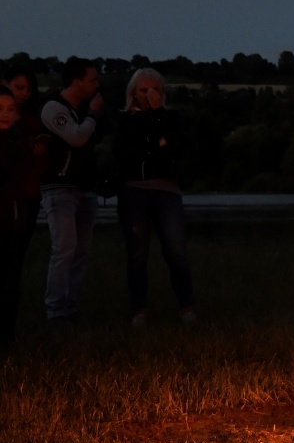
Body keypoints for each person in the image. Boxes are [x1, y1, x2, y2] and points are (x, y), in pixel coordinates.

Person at [114, 69, 195, 328]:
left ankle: (188, 309)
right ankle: (139, 312)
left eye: (155, 90)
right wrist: (156, 142)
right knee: (137, 254)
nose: (149, 95)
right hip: (134, 189)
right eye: (143, 90)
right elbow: (130, 150)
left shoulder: (172, 117)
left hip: (167, 190)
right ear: (133, 93)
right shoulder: (124, 120)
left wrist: (159, 117)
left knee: (176, 252)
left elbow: (176, 142)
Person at [40, 57, 105, 322]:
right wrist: (93, 114)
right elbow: (77, 138)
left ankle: (71, 307)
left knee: (81, 252)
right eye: (92, 80)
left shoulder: (78, 109)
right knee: (64, 249)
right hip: (60, 189)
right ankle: (56, 310)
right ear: (76, 82)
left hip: (84, 189)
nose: (97, 85)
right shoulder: (54, 107)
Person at [2, 65, 48, 267]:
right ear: (5, 84)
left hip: (27, 194)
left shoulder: (32, 121)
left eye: (28, 90)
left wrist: (37, 152)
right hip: (7, 193)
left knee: (16, 254)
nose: (24, 93)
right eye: (19, 87)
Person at [0, 86, 31, 347]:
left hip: (12, 219)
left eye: (10, 109)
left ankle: (8, 333)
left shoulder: (18, 142)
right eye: (0, 109)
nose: (5, 114)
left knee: (10, 279)